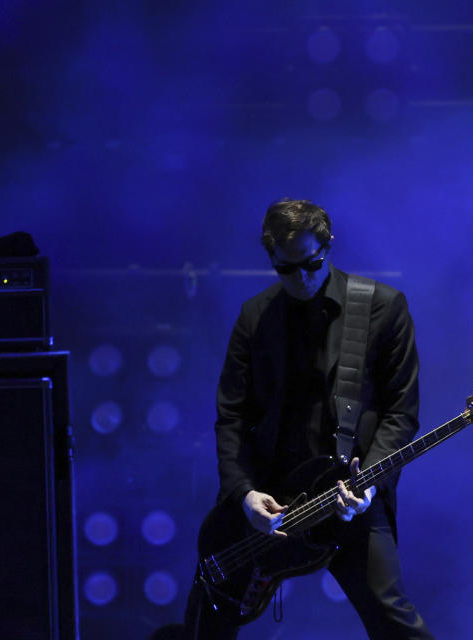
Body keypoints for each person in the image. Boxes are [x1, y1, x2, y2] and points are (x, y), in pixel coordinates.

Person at [185, 199, 433, 639]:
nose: (301, 278)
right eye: (286, 269)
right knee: (207, 616)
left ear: (328, 244)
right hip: (269, 501)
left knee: (395, 620)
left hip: (348, 495)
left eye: (312, 263)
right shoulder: (255, 317)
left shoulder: (383, 308)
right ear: (271, 258)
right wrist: (243, 494)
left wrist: (371, 484)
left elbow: (401, 413)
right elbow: (232, 418)